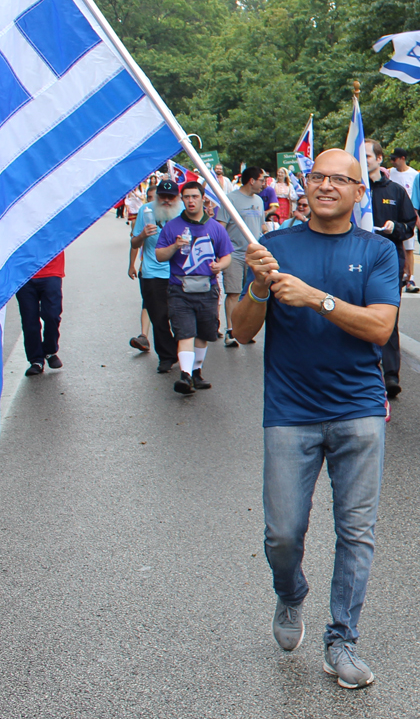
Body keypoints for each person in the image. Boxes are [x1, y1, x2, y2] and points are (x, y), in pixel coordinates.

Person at [232, 149, 399, 689]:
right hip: (290, 412)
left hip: (358, 410)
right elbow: (241, 332)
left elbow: (379, 328)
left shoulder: (377, 252)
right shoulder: (274, 248)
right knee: (283, 534)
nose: (326, 185)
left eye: (339, 179)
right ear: (306, 186)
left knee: (357, 532)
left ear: (358, 192)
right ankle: (290, 593)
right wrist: (259, 287)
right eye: (318, 177)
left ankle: (341, 640)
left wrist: (315, 299)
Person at [155, 181, 233, 394]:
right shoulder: (173, 227)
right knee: (185, 332)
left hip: (207, 289)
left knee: (203, 334)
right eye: (187, 197)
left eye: (194, 197)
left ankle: (196, 372)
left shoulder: (215, 227)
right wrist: (175, 246)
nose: (190, 201)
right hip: (179, 289)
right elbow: (160, 255)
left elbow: (227, 255)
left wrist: (219, 266)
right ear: (182, 199)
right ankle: (185, 375)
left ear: (202, 199)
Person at [365, 139, 416, 398]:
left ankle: (390, 375)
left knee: (387, 316)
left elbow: (409, 224)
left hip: (388, 260)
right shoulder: (354, 191)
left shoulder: (395, 191)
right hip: (357, 260)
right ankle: (363, 371)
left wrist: (394, 228)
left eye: (368, 156)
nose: (364, 160)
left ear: (379, 159)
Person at [129, 180, 181, 372]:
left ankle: (182, 352)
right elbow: (134, 243)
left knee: (178, 316)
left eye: (171, 197)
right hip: (152, 272)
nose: (166, 200)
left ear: (177, 197)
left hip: (179, 272)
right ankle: (166, 357)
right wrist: (142, 235)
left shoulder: (184, 210)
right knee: (158, 317)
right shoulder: (145, 211)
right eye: (163, 196)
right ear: (157, 196)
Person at [216, 166, 264, 348]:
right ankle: (230, 331)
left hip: (253, 255)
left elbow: (261, 226)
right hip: (234, 254)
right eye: (261, 180)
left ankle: (244, 330)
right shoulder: (230, 199)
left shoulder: (259, 201)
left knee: (249, 294)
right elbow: (220, 227)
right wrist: (222, 252)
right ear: (252, 180)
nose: (263, 184)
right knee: (234, 292)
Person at [16, 251, 65, 376]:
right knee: (29, 321)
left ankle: (50, 350)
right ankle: (36, 361)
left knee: (52, 315)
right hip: (24, 274)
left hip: (51, 271)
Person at [128, 184, 157, 355]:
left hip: (170, 270)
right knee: (147, 302)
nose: (153, 201)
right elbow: (135, 242)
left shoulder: (170, 215)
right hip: (148, 267)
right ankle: (144, 336)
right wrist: (132, 264)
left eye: (156, 198)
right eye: (150, 198)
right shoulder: (144, 216)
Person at [388, 146, 419, 292]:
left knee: (409, 248)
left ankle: (410, 278)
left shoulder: (413, 175)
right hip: (392, 214)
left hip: (407, 214)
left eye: (395, 159)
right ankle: (399, 274)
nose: (393, 162)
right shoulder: (390, 173)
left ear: (403, 159)